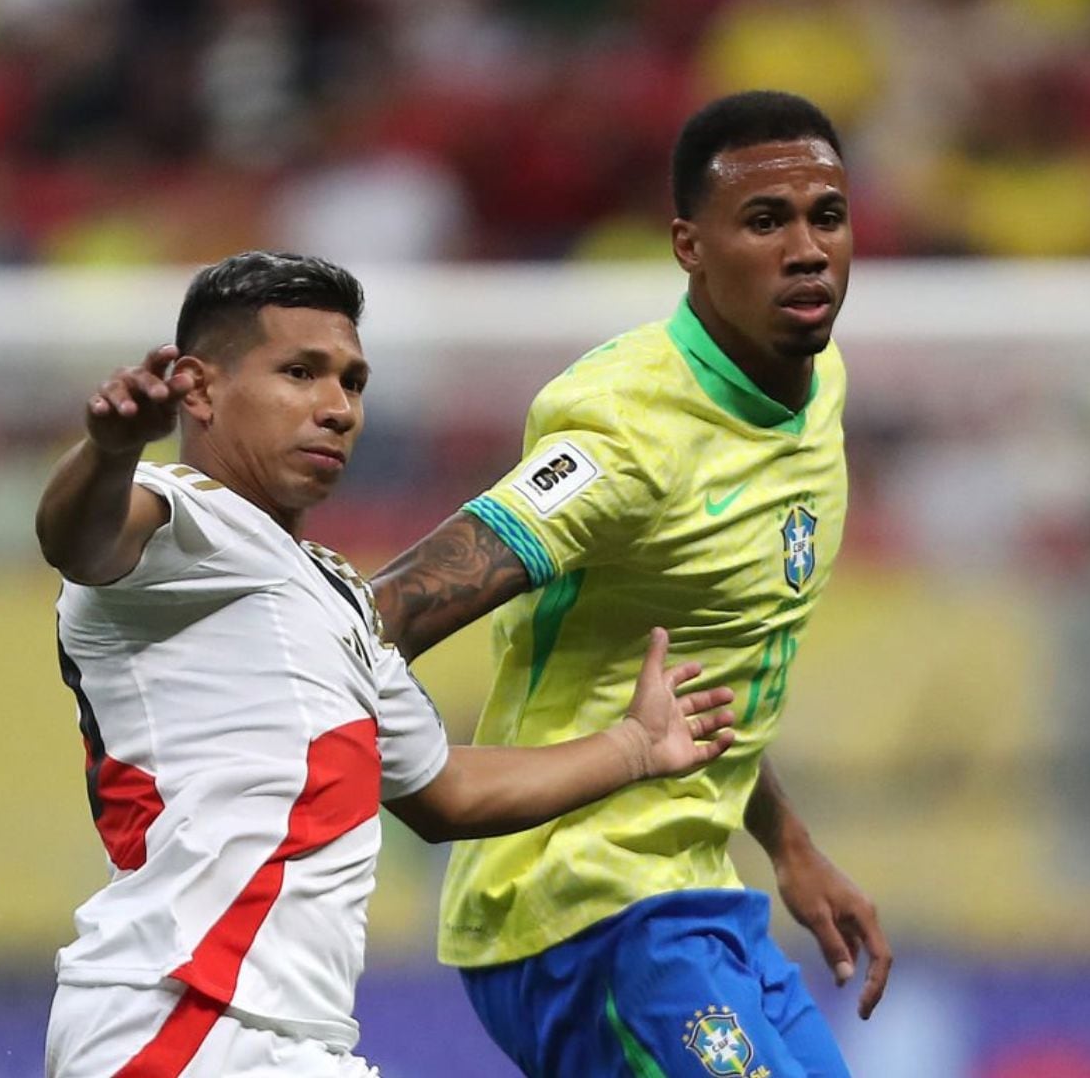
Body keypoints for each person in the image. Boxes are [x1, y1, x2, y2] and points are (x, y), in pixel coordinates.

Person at [34, 250, 738, 1078]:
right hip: (181, 1020)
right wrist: (110, 450)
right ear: (198, 388)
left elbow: (446, 793)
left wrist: (635, 749)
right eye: (301, 372)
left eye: (353, 383)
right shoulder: (177, 524)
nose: (337, 409)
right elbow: (77, 539)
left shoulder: (334, 596)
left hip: (288, 1037)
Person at [371, 91, 891, 1077]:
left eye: (826, 216)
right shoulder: (626, 431)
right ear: (690, 246)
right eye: (766, 221)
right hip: (580, 909)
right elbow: (388, 614)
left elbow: (706, 670)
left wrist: (790, 847)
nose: (809, 249)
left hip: (696, 897)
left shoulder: (818, 391)